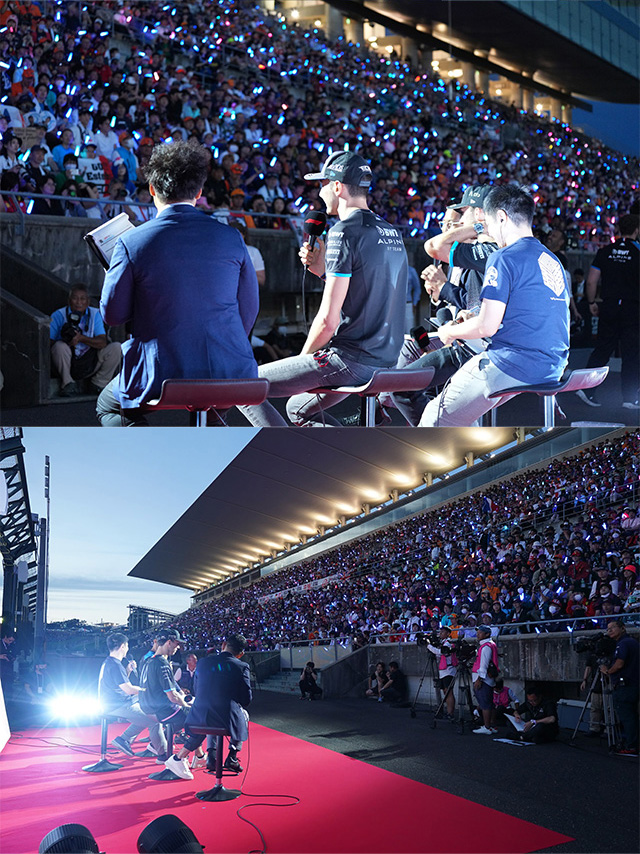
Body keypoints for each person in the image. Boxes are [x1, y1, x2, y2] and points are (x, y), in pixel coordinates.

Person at [238, 151, 407, 426]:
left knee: (242, 385)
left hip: (350, 360)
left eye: (323, 184)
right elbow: (366, 293)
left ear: (338, 186)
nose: (320, 192)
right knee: (296, 408)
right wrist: (323, 273)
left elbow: (329, 321)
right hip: (387, 360)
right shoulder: (390, 231)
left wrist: (301, 362)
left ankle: (283, 456)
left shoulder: (343, 231)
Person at [97, 140, 259, 426]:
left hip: (161, 372)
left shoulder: (131, 242)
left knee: (107, 407)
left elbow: (113, 315)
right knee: (213, 411)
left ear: (152, 190)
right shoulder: (232, 237)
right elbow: (248, 312)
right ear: (198, 192)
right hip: (231, 367)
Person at [419, 185, 570, 426]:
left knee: (432, 417)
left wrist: (450, 331)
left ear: (501, 217)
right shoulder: (551, 259)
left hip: (511, 361)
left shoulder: (503, 257)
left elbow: (486, 327)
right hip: (553, 364)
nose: (486, 230)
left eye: (487, 223)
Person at [163, 634, 252, 781]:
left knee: (213, 716)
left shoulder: (203, 662)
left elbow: (198, 690)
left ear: (223, 645)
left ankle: (211, 756)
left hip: (197, 716)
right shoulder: (242, 666)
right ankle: (232, 756)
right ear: (241, 654)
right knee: (243, 714)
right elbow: (246, 699)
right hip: (224, 719)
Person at [577, 214, 639, 410]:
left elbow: (591, 281)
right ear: (637, 230)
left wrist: (592, 302)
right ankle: (629, 398)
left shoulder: (606, 251)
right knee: (632, 353)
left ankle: (586, 389)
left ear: (619, 229)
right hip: (633, 307)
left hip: (609, 305)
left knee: (603, 348)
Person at [98, 632, 166, 759]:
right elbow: (128, 690)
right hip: (118, 704)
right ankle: (164, 755)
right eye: (127, 646)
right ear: (123, 646)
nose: (127, 649)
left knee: (147, 713)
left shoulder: (109, 662)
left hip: (116, 701)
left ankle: (124, 739)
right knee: (154, 721)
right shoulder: (115, 665)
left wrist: (128, 671)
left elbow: (121, 686)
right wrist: (147, 690)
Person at [50, 284, 121, 396]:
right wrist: (67, 341)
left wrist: (81, 338)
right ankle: (67, 384)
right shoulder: (59, 315)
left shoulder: (95, 314)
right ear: (69, 301)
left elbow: (102, 342)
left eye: (82, 299)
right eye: (75, 298)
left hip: (89, 360)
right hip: (67, 360)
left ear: (88, 302)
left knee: (116, 347)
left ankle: (99, 384)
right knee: (59, 346)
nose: (79, 302)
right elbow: (48, 342)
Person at [138, 628, 192, 756]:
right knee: (197, 717)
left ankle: (159, 748)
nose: (178, 648)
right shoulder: (162, 662)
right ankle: (179, 759)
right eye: (177, 644)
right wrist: (186, 706)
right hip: (161, 710)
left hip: (147, 707)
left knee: (186, 715)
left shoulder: (148, 660)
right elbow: (172, 696)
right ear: (169, 642)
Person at [599, 619, 639, 755]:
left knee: (627, 717)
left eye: (612, 628)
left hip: (625, 686)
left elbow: (620, 664)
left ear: (622, 628)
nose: (609, 631)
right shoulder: (632, 642)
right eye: (608, 629)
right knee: (633, 716)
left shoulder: (623, 644)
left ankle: (631, 746)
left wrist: (607, 671)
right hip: (634, 684)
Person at [472, 624, 499, 734]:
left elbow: (483, 665)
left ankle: (487, 727)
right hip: (488, 678)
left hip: (484, 679)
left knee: (484, 703)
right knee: (488, 702)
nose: (478, 634)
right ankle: (490, 725)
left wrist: (480, 679)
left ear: (487, 634)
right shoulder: (490, 644)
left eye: (480, 632)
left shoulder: (486, 646)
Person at [427, 626, 457, 718]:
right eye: (440, 631)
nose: (440, 633)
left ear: (448, 634)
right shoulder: (443, 642)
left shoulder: (448, 643)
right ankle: (448, 712)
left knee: (449, 692)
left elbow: (439, 652)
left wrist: (428, 645)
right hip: (444, 670)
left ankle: (450, 713)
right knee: (445, 691)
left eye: (443, 632)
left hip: (449, 670)